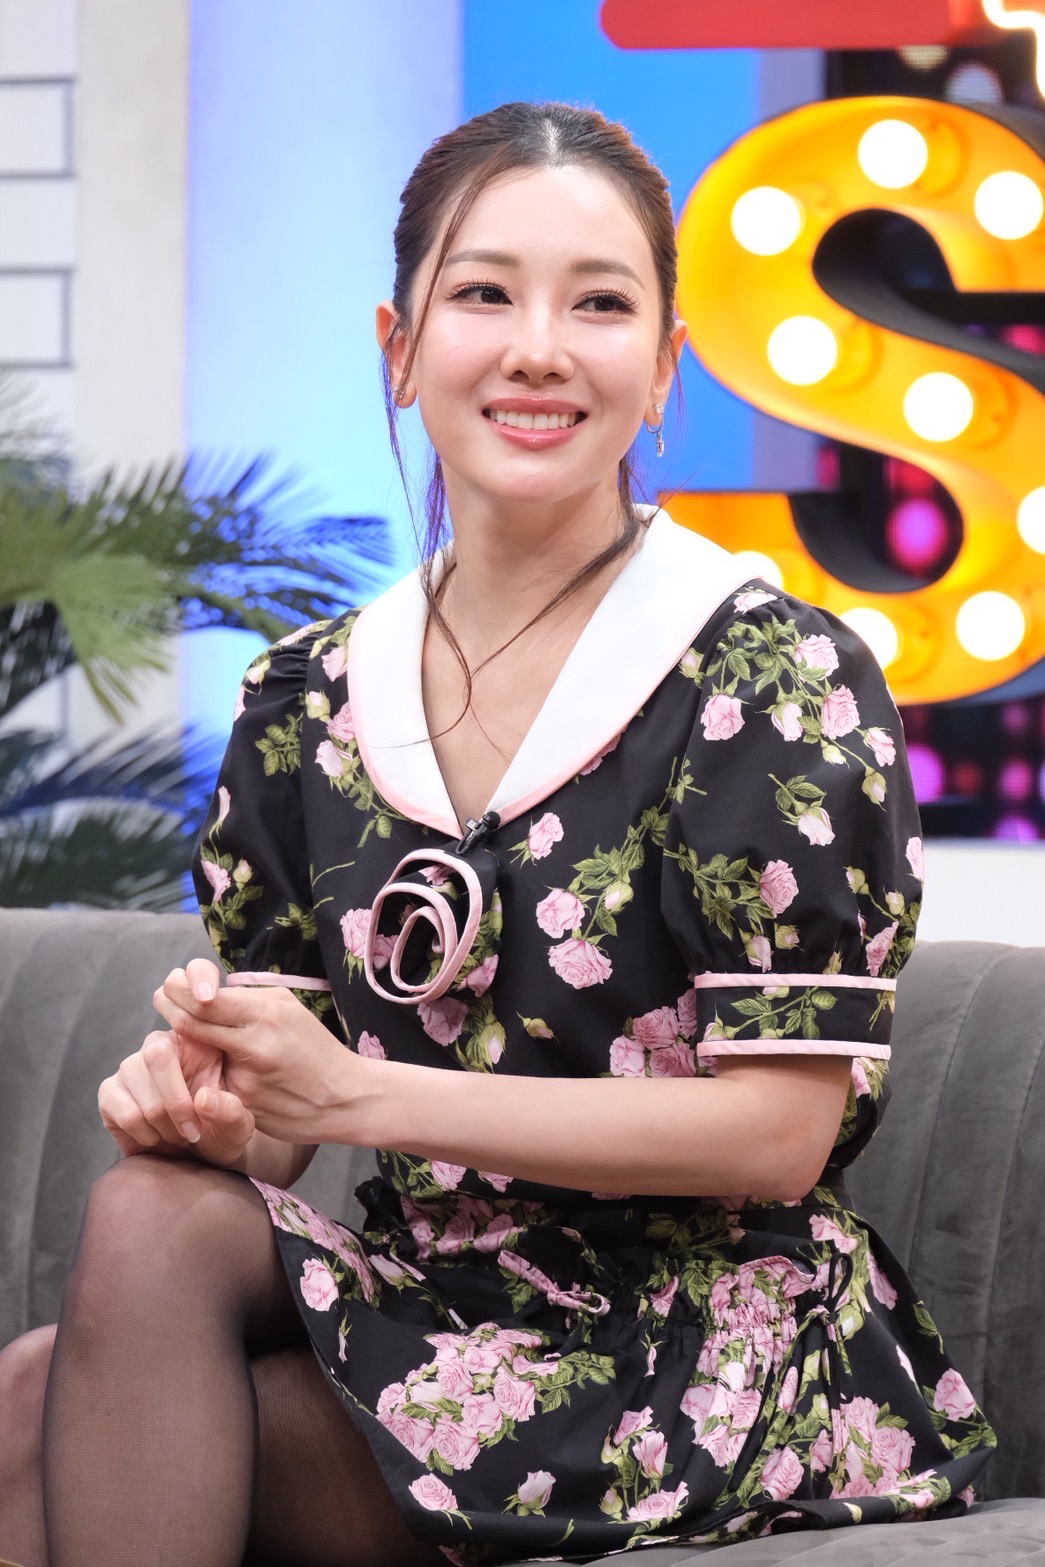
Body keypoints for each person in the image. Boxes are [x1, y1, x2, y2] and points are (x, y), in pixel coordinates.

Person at [0, 100, 994, 1567]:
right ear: (399, 349)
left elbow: (777, 1135)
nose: (538, 348)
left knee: (41, 1411)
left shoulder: (769, 676)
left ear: (663, 369)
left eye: (598, 304)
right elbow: (284, 1115)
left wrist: (358, 1096)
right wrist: (223, 1113)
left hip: (704, 1339)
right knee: (146, 1223)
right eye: (484, 294)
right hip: (438, 1301)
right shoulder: (303, 702)